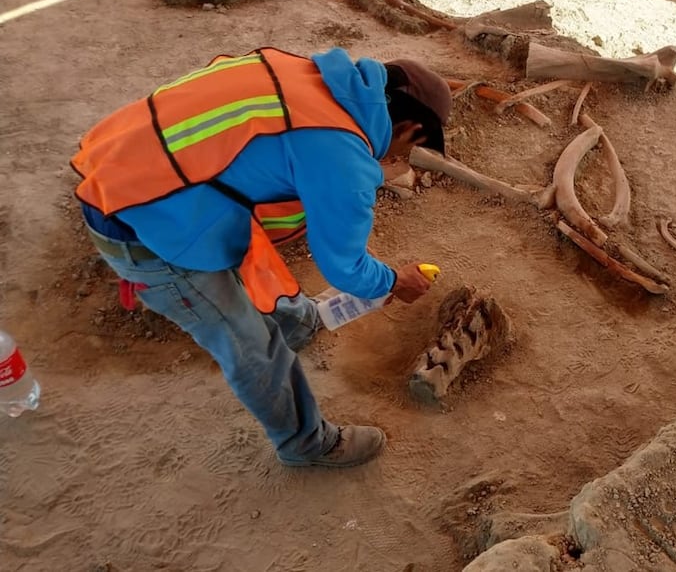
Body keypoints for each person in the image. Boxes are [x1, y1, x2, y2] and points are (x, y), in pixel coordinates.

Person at [70, 46, 451, 468]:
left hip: (127, 168)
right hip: (142, 227)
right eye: (405, 149)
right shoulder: (342, 157)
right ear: (410, 127)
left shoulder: (306, 76)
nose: (394, 158)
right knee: (252, 346)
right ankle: (307, 445)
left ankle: (298, 321)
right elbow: (345, 267)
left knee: (255, 254)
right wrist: (395, 283)